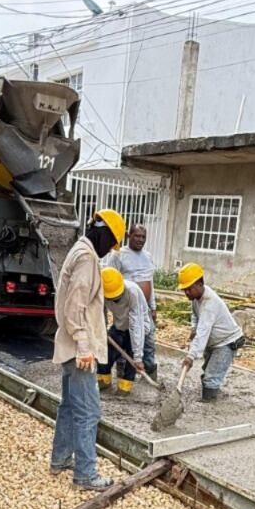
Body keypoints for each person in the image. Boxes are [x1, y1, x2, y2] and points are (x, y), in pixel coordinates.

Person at [50, 207, 125, 489]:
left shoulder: (80, 251)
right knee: (88, 411)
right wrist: (84, 345)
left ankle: (60, 458)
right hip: (79, 348)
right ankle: (85, 474)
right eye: (112, 243)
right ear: (103, 233)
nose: (110, 251)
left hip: (70, 345)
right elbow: (74, 307)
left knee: (70, 406)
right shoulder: (86, 258)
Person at [177, 263, 244, 401]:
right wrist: (193, 328)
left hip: (226, 342)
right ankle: (212, 394)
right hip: (214, 342)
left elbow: (203, 333)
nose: (186, 293)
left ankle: (210, 402)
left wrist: (190, 357)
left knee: (211, 378)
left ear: (200, 284)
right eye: (184, 290)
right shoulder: (196, 298)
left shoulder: (209, 303)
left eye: (189, 289)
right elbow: (195, 315)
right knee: (207, 371)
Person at [106, 223, 158, 376]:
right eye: (137, 236)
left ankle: (148, 370)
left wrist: (153, 306)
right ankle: (122, 368)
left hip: (145, 307)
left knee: (148, 339)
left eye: (143, 237)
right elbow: (109, 278)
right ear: (129, 236)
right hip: (125, 307)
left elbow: (150, 282)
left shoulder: (147, 256)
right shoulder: (118, 255)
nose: (140, 239)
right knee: (124, 338)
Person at [98, 267, 150, 394]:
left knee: (132, 358)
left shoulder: (132, 292)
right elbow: (99, 311)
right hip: (119, 325)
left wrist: (138, 357)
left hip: (139, 327)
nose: (114, 300)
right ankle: (104, 381)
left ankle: (125, 386)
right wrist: (101, 330)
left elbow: (136, 323)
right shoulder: (101, 291)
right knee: (106, 351)